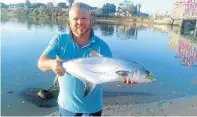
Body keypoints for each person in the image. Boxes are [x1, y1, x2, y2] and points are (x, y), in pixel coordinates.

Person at [38, 2, 136, 116]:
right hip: (66, 107)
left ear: (90, 20)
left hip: (92, 109)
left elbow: (111, 72)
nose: (80, 22)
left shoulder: (102, 46)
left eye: (84, 18)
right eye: (75, 19)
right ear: (69, 21)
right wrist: (51, 64)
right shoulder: (59, 40)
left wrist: (125, 77)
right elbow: (41, 63)